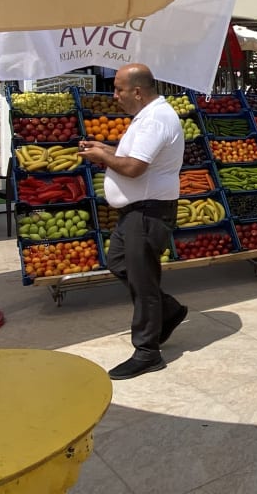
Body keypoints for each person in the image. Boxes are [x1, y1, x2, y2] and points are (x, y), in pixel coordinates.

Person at [78, 63, 187, 380]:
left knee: (143, 282)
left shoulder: (154, 119)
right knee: (119, 261)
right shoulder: (147, 116)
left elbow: (134, 168)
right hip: (137, 211)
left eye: (119, 89)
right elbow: (134, 156)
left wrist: (102, 157)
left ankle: (147, 352)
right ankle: (168, 310)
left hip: (148, 212)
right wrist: (105, 148)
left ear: (137, 91)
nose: (115, 96)